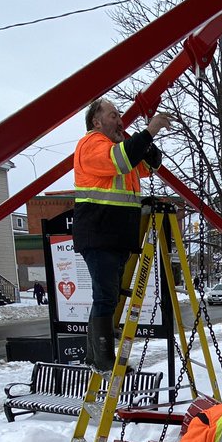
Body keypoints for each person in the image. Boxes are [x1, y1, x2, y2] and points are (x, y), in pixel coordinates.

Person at [72, 98, 172, 372]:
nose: (119, 120)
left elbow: (145, 167)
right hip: (100, 230)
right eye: (113, 115)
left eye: (119, 115)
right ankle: (101, 357)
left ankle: (96, 355)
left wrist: (148, 145)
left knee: (108, 295)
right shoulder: (92, 144)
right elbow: (124, 160)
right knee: (105, 295)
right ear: (96, 121)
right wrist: (149, 131)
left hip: (113, 233)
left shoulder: (116, 149)